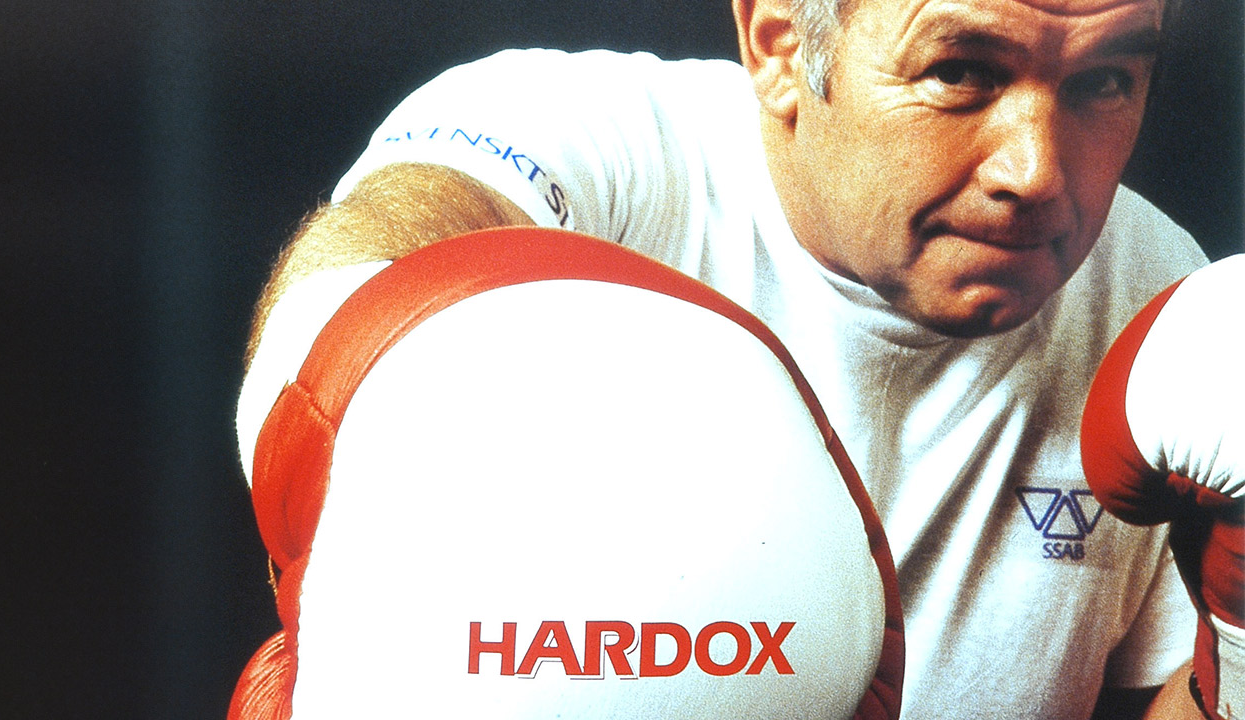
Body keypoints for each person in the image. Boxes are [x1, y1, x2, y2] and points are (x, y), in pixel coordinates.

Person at [236, 0, 1212, 717]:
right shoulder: (596, 147)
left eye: (1102, 82)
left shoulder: (1154, 294)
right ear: (780, 45)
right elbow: (349, 293)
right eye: (960, 73)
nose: (1034, 171)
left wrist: (1238, 659)